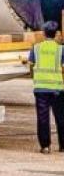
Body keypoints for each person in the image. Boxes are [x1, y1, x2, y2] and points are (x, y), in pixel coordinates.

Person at [28, 21, 64, 153]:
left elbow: (31, 65)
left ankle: (45, 146)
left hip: (41, 88)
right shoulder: (61, 49)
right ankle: (62, 145)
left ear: (44, 33)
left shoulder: (36, 48)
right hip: (57, 89)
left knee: (43, 118)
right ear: (56, 34)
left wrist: (35, 77)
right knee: (61, 118)